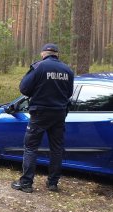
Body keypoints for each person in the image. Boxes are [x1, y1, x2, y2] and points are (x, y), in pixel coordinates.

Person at [12, 43, 74, 193]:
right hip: (59, 113)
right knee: (57, 149)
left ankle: (26, 183)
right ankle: (52, 183)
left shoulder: (39, 67)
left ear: (43, 53)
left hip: (40, 113)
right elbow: (69, 93)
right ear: (57, 54)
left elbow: (24, 88)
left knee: (31, 147)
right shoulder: (68, 70)